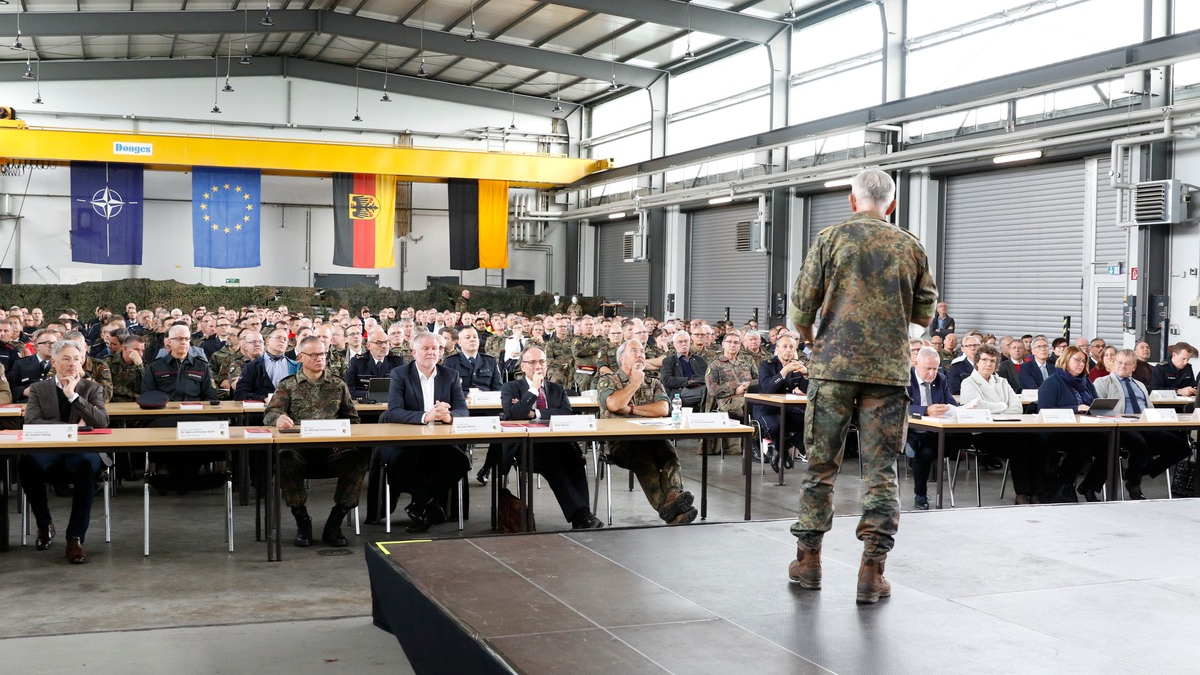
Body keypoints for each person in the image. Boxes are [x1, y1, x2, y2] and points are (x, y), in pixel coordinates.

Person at [786, 168, 938, 604]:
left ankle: (809, 561)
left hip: (832, 370)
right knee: (881, 472)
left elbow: (800, 309)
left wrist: (817, 340)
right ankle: (872, 572)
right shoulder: (910, 245)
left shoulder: (830, 239)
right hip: (887, 374)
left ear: (852, 201)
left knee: (820, 466)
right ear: (890, 205)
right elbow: (924, 316)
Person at [262, 335, 365, 547]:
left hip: (332, 450)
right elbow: (270, 413)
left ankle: (335, 521)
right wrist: (279, 419)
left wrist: (345, 438)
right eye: (314, 354)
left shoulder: (338, 384)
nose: (320, 358)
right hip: (300, 451)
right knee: (285, 458)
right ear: (300, 357)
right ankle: (302, 520)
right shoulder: (288, 385)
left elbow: (352, 418)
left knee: (357, 458)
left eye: (323, 354)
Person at [18, 338, 111, 564]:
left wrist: (73, 397)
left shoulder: (92, 388)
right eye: (66, 359)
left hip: (83, 451)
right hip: (48, 449)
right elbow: (31, 422)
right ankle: (44, 524)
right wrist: (72, 428)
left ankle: (75, 538)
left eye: (77, 359)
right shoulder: (40, 389)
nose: (72, 364)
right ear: (54, 362)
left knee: (86, 465)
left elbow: (101, 422)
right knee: (26, 463)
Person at [595, 339, 697, 525]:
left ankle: (674, 497)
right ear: (622, 359)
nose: (640, 354)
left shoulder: (653, 382)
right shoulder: (608, 380)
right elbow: (614, 404)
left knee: (669, 455)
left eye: (642, 351)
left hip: (652, 437)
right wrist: (634, 383)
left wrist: (631, 410)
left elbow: (663, 409)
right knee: (645, 462)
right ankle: (672, 509)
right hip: (621, 443)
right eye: (634, 351)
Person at [500, 345, 602, 529]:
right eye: (532, 362)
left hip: (557, 440)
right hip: (527, 444)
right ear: (522, 366)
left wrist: (534, 413)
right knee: (553, 464)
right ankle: (582, 516)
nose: (538, 366)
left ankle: (582, 515)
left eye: (541, 362)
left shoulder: (557, 389)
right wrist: (532, 390)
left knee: (576, 461)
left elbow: (565, 412)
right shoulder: (510, 387)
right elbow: (513, 415)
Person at [378, 332, 470, 533]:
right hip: (405, 441)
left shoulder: (450, 375)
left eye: (435, 348)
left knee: (461, 462)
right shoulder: (400, 374)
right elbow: (393, 411)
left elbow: (463, 410)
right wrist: (425, 416)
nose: (431, 352)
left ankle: (421, 506)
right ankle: (430, 505)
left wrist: (449, 416)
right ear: (414, 352)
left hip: (438, 441)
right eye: (426, 348)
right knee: (400, 461)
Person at [1095, 349, 1191, 499]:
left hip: (1145, 425)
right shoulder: (1103, 382)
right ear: (1113, 363)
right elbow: (1098, 411)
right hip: (1121, 427)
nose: (1123, 366)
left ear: (1134, 367)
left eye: (1128, 364)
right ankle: (1134, 484)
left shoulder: (1139, 384)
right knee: (1140, 446)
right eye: (1119, 362)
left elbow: (1150, 408)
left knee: (1182, 447)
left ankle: (1141, 471)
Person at [960, 345, 1046, 504]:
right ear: (977, 362)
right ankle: (1022, 493)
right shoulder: (969, 382)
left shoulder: (1002, 381)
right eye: (984, 360)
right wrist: (1002, 406)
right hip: (982, 434)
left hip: (1008, 428)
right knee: (1019, 444)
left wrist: (996, 409)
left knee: (1035, 440)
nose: (988, 364)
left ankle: (1036, 492)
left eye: (992, 361)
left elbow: (1017, 407)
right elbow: (976, 407)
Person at [1038, 346, 1109, 503]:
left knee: (1110, 445)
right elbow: (1045, 411)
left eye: (1084, 361)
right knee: (1081, 449)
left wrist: (1099, 408)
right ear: (1065, 360)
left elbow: (1094, 402)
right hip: (1058, 431)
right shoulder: (1051, 383)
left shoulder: (1087, 382)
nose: (1081, 364)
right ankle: (1064, 484)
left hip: (1085, 428)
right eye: (1077, 360)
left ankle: (1089, 486)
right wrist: (1076, 408)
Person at [905, 347, 956, 510]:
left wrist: (963, 409)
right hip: (913, 432)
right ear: (915, 364)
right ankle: (921, 495)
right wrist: (925, 410)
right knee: (924, 453)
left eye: (935, 369)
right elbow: (899, 407)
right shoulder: (905, 379)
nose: (932, 373)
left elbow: (950, 403)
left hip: (936, 432)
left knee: (966, 438)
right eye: (928, 369)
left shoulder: (940, 379)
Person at [755, 334, 809, 474]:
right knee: (776, 425)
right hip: (766, 408)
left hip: (787, 408)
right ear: (777, 349)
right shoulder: (766, 365)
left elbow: (805, 389)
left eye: (792, 347)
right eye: (785, 346)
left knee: (807, 419)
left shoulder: (796, 365)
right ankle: (782, 450)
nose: (788, 350)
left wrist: (805, 375)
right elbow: (767, 389)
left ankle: (782, 448)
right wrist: (784, 371)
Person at [704, 331, 754, 456]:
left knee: (759, 405)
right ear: (723, 345)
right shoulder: (715, 365)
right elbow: (712, 389)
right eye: (729, 342)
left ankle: (759, 444)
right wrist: (735, 390)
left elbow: (759, 379)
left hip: (746, 398)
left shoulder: (745, 364)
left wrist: (749, 385)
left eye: (736, 342)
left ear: (740, 345)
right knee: (748, 405)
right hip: (726, 401)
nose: (733, 345)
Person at [234, 327, 299, 400]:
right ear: (267, 341)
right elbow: (240, 393)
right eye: (278, 338)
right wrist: (263, 399)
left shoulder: (295, 366)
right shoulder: (252, 366)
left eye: (285, 339)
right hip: (260, 409)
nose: (282, 341)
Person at [344, 327, 404, 400]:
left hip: (391, 404)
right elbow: (348, 389)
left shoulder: (397, 361)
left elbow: (406, 387)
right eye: (379, 343)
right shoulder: (358, 362)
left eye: (386, 342)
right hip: (366, 406)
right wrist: (370, 395)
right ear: (369, 346)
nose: (384, 346)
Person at [659, 330, 708, 409]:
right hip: (680, 391)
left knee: (713, 390)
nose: (684, 344)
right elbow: (666, 380)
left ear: (690, 342)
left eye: (686, 341)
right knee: (709, 391)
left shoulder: (699, 359)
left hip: (700, 387)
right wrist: (687, 381)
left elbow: (708, 376)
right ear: (674, 344)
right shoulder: (670, 360)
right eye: (680, 342)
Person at [7, 328, 58, 400]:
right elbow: (10, 388)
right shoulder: (21, 364)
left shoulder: (61, 364)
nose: (52, 346)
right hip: (27, 404)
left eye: (54, 343)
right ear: (37, 346)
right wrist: (24, 391)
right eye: (47, 343)